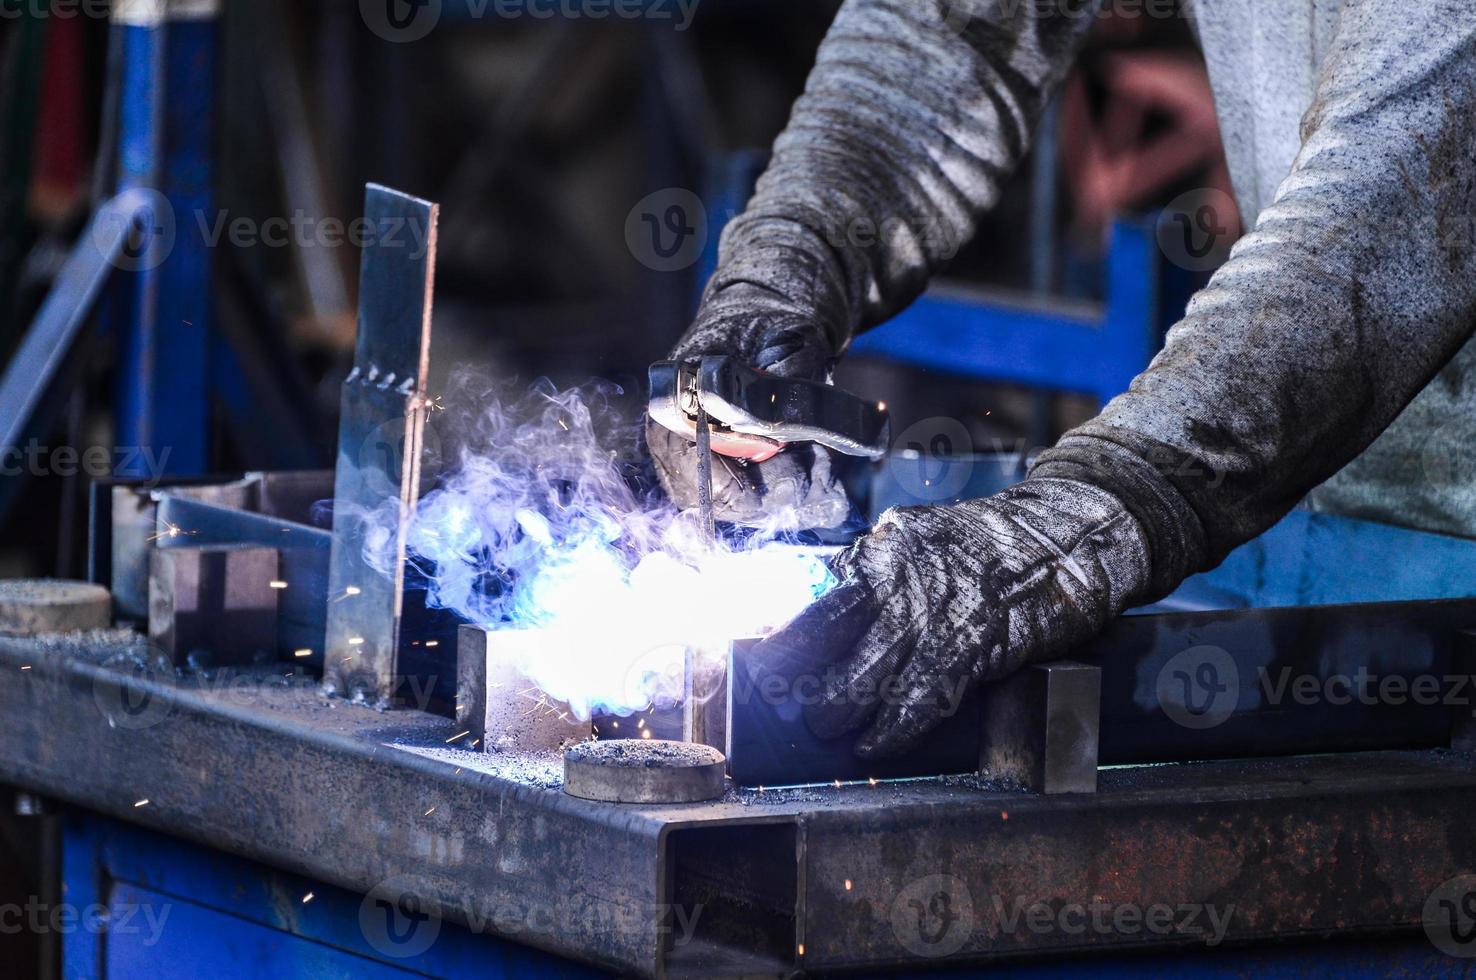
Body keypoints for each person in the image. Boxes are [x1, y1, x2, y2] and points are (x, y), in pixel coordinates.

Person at [646, 0, 1476, 758]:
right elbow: (940, 37)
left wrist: (1084, 520)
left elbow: (1409, 184)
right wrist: (781, 278)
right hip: (1327, 516)